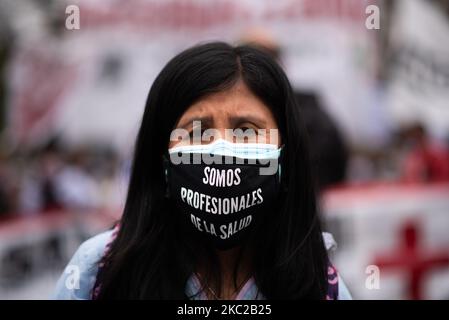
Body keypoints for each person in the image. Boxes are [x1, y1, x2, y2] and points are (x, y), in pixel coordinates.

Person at [53, 42, 351, 300]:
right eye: (196, 131)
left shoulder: (320, 283)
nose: (221, 148)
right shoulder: (99, 270)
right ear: (161, 155)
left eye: (246, 131)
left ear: (286, 152)